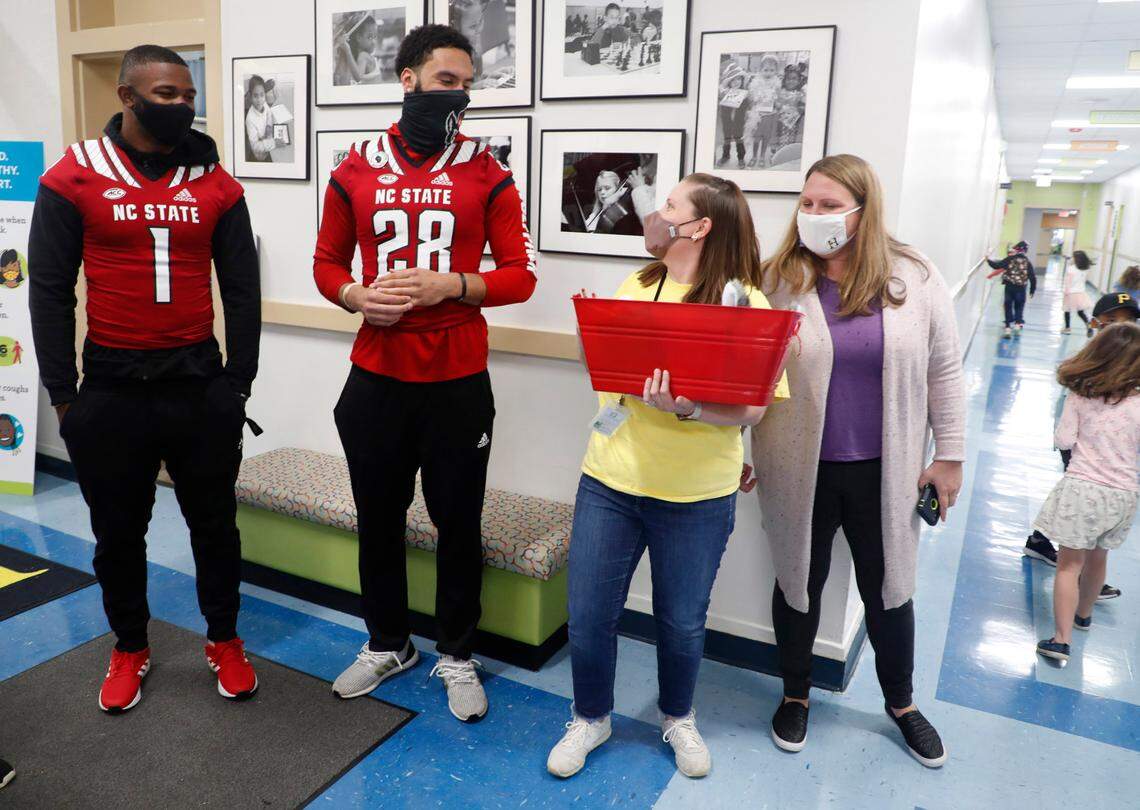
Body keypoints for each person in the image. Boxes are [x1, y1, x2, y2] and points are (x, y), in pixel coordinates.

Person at [28, 45, 262, 713]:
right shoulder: (75, 175)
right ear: (127, 97)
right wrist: (63, 395)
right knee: (118, 532)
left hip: (198, 382)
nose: (182, 106)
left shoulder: (217, 183)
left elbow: (242, 289)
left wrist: (237, 384)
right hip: (111, 386)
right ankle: (130, 643)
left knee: (216, 527)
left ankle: (225, 639)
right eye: (166, 94)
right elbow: (49, 291)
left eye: (188, 95)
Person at [313, 24, 536, 722]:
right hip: (376, 376)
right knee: (377, 519)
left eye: (467, 83)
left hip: (457, 379)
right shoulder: (354, 166)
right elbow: (326, 265)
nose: (459, 92)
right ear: (407, 79)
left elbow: (520, 277)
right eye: (446, 79)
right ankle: (387, 642)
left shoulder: (487, 170)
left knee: (457, 523)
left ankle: (457, 653)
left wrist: (455, 286)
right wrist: (356, 296)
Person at [546, 173, 789, 780]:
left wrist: (689, 409)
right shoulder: (641, 282)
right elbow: (606, 371)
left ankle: (678, 716)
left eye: (671, 205)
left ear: (700, 226)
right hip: (611, 478)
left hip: (696, 494)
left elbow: (753, 408)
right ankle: (590, 715)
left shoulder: (745, 304)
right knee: (589, 611)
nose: (658, 212)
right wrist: (590, 334)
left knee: (681, 620)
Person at [752, 154, 965, 768]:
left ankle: (902, 703)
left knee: (890, 588)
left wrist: (948, 456)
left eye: (829, 205)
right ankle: (795, 694)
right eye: (808, 203)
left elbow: (944, 371)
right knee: (797, 580)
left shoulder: (913, 276)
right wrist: (736, 447)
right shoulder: (778, 280)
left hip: (887, 469)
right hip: (799, 466)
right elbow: (750, 374)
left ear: (863, 211)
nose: (814, 215)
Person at [1034, 322, 1140, 662]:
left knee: (1068, 566)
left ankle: (1061, 640)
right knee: (1099, 558)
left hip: (1083, 489)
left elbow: (1064, 439)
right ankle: (1083, 616)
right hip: (1123, 495)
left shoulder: (1081, 393)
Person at [1023, 291, 1137, 601]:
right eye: (1113, 321)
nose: (1121, 327)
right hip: (1083, 443)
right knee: (1080, 504)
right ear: (1098, 322)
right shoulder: (1092, 357)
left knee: (1081, 505)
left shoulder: (1131, 355)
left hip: (1110, 451)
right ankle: (1083, 573)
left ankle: (1042, 542)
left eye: (1128, 321)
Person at [986, 240, 1036, 338]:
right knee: (1019, 306)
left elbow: (996, 266)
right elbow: (1032, 277)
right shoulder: (1027, 262)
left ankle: (1008, 328)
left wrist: (987, 259)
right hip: (1021, 288)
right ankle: (1017, 325)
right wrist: (1032, 290)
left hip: (1009, 287)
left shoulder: (1010, 259)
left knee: (1008, 306)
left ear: (1016, 249)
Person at [745, 57, 781, 168]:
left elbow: (778, 99)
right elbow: (751, 99)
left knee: (766, 137)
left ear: (776, 71)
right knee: (756, 137)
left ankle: (762, 157)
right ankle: (754, 156)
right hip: (757, 115)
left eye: (771, 70)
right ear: (760, 70)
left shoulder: (777, 84)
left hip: (770, 115)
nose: (768, 73)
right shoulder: (755, 83)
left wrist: (777, 104)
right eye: (766, 70)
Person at [717, 61, 751, 170]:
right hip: (726, 121)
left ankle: (741, 157)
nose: (736, 82)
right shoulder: (724, 93)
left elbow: (747, 107)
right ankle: (725, 155)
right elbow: (720, 105)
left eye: (739, 79)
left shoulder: (744, 93)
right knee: (726, 138)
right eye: (733, 80)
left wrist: (746, 100)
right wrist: (722, 97)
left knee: (739, 138)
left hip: (739, 121)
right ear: (729, 82)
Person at [334, 12, 384, 85]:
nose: (374, 42)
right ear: (358, 38)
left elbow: (358, 78)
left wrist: (347, 50)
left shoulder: (363, 56)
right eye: (370, 37)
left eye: (375, 37)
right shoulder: (365, 57)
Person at [244, 75, 277, 162]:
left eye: (262, 95)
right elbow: (255, 146)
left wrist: (268, 127)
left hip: (268, 141)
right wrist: (274, 143)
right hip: (260, 156)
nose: (259, 100)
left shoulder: (264, 103)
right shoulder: (249, 119)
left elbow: (269, 113)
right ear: (250, 96)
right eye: (255, 96)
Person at [1061, 250, 1094, 336]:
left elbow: (1068, 282)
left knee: (1067, 311)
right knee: (1080, 312)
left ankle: (1067, 328)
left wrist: (1065, 292)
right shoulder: (1086, 268)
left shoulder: (1071, 268)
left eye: (1073, 257)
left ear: (1076, 259)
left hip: (1071, 292)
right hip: (1081, 293)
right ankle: (1089, 326)